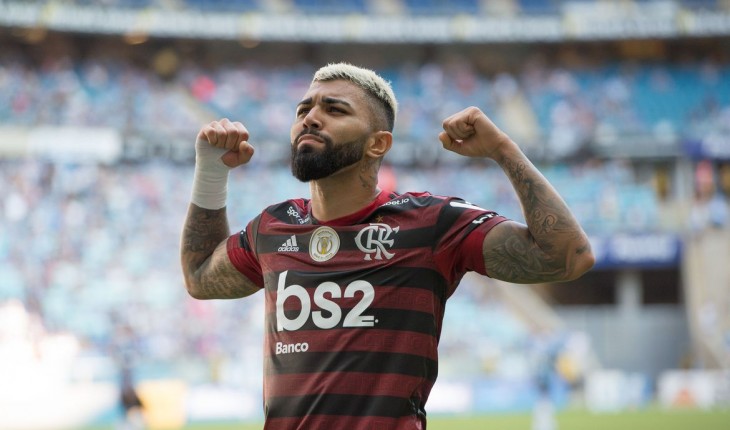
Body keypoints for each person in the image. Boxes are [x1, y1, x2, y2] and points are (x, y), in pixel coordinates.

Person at [180, 62, 594, 429]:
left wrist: (503, 150)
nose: (310, 119)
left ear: (377, 143)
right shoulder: (272, 227)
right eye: (303, 110)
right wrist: (212, 173)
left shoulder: (432, 223)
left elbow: (568, 256)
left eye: (334, 110)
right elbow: (199, 277)